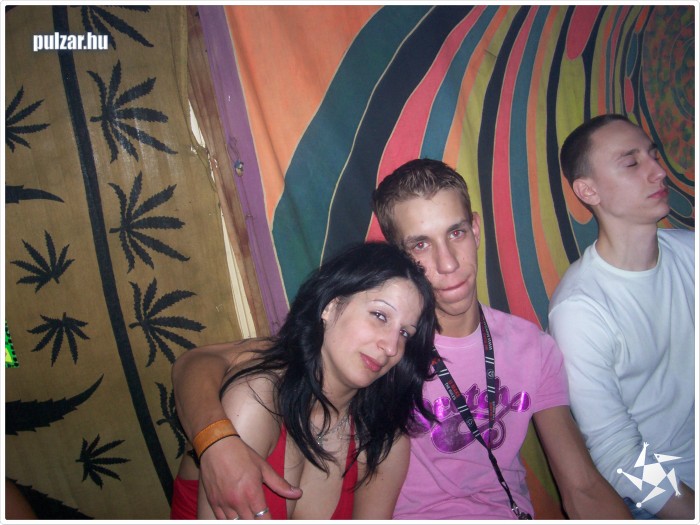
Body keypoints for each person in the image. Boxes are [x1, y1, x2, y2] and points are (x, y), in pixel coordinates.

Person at [172, 158, 632, 519]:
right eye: (421, 244)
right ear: (400, 257)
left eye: (455, 233)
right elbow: (200, 363)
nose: (448, 264)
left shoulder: (532, 345)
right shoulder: (366, 351)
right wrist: (216, 441)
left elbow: (583, 485)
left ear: (475, 229)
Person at [170, 242, 438, 519]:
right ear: (331, 307)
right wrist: (215, 440)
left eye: (405, 333)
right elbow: (193, 362)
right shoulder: (257, 395)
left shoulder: (383, 442)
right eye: (380, 315)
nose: (391, 347)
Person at [548, 114, 695, 519]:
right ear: (588, 190)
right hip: (664, 496)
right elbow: (618, 456)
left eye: (653, 156)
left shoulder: (691, 252)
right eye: (631, 163)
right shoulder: (580, 310)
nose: (658, 172)